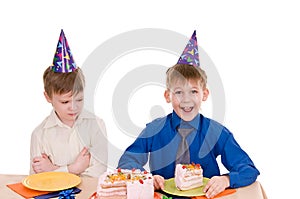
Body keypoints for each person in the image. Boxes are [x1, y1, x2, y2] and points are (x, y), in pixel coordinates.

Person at [118, 31, 259, 198]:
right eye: (178, 92)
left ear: (204, 94)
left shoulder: (217, 132)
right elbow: (127, 161)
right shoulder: (154, 129)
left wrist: (227, 179)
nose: (186, 100)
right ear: (167, 96)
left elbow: (248, 168)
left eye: (193, 91)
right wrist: (147, 177)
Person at [30, 30, 107, 177]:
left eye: (79, 99)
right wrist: (74, 169)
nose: (74, 107)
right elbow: (37, 180)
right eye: (65, 101)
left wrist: (53, 170)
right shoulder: (40, 135)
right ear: (48, 97)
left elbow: (97, 174)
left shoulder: (96, 125)